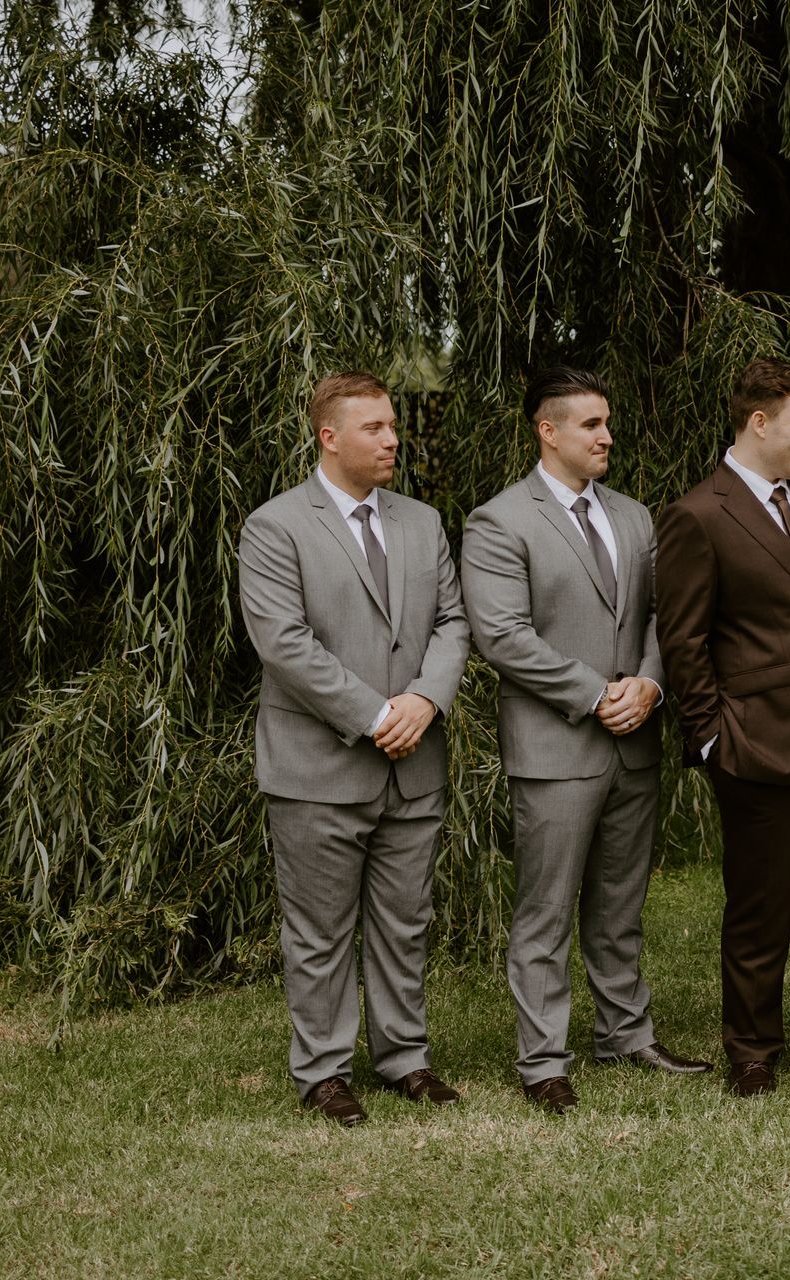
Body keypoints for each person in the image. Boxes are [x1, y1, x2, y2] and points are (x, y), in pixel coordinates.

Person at [463, 368, 713, 1116]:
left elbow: (664, 618)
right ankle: (542, 1059)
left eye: (608, 423)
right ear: (549, 430)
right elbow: (502, 635)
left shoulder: (636, 517)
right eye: (592, 425)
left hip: (635, 739)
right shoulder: (499, 521)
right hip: (556, 746)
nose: (607, 437)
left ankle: (625, 1034)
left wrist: (649, 684)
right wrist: (593, 694)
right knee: (545, 909)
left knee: (620, 903)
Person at [237, 371, 470, 1126]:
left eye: (394, 425)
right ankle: (324, 1072)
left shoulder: (423, 521)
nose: (393, 439)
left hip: (415, 762)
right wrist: (376, 715)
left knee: (406, 920)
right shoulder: (274, 528)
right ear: (328, 437)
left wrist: (425, 700)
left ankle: (405, 1058)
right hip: (319, 767)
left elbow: (452, 624)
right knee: (320, 929)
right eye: (374, 428)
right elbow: (284, 645)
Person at [654, 357, 790, 1098]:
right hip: (754, 741)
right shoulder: (698, 514)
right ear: (760, 423)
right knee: (758, 906)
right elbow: (683, 640)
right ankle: (751, 1049)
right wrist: (712, 738)